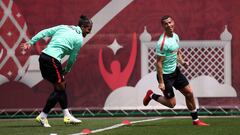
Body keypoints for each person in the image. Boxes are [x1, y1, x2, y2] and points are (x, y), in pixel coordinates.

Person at [21, 15, 93, 127]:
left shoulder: (63, 27)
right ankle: (44, 116)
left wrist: (30, 43)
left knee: (60, 87)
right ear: (83, 27)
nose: (89, 32)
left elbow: (44, 32)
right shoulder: (79, 39)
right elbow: (72, 58)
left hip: (43, 57)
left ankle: (64, 115)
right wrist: (67, 70)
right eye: (89, 29)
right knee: (61, 87)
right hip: (52, 60)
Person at [143, 15, 209, 126]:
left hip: (175, 72)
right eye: (166, 23)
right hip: (165, 76)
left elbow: (177, 52)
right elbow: (159, 63)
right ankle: (151, 95)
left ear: (173, 22)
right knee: (172, 104)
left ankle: (196, 120)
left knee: (189, 93)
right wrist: (161, 82)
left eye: (170, 22)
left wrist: (182, 62)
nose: (169, 25)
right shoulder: (162, 43)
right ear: (163, 26)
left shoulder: (175, 37)